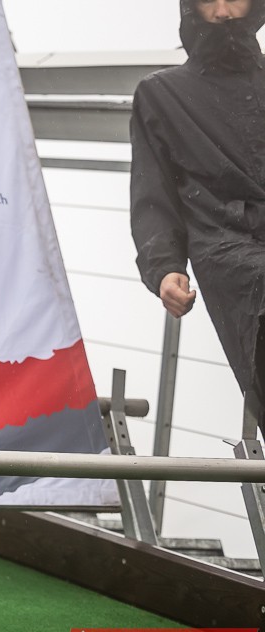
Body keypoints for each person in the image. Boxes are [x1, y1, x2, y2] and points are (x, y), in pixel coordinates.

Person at [130, 0, 265, 425]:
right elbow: (153, 195)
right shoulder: (162, 94)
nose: (223, 12)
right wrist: (165, 267)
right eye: (208, 0)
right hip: (230, 250)